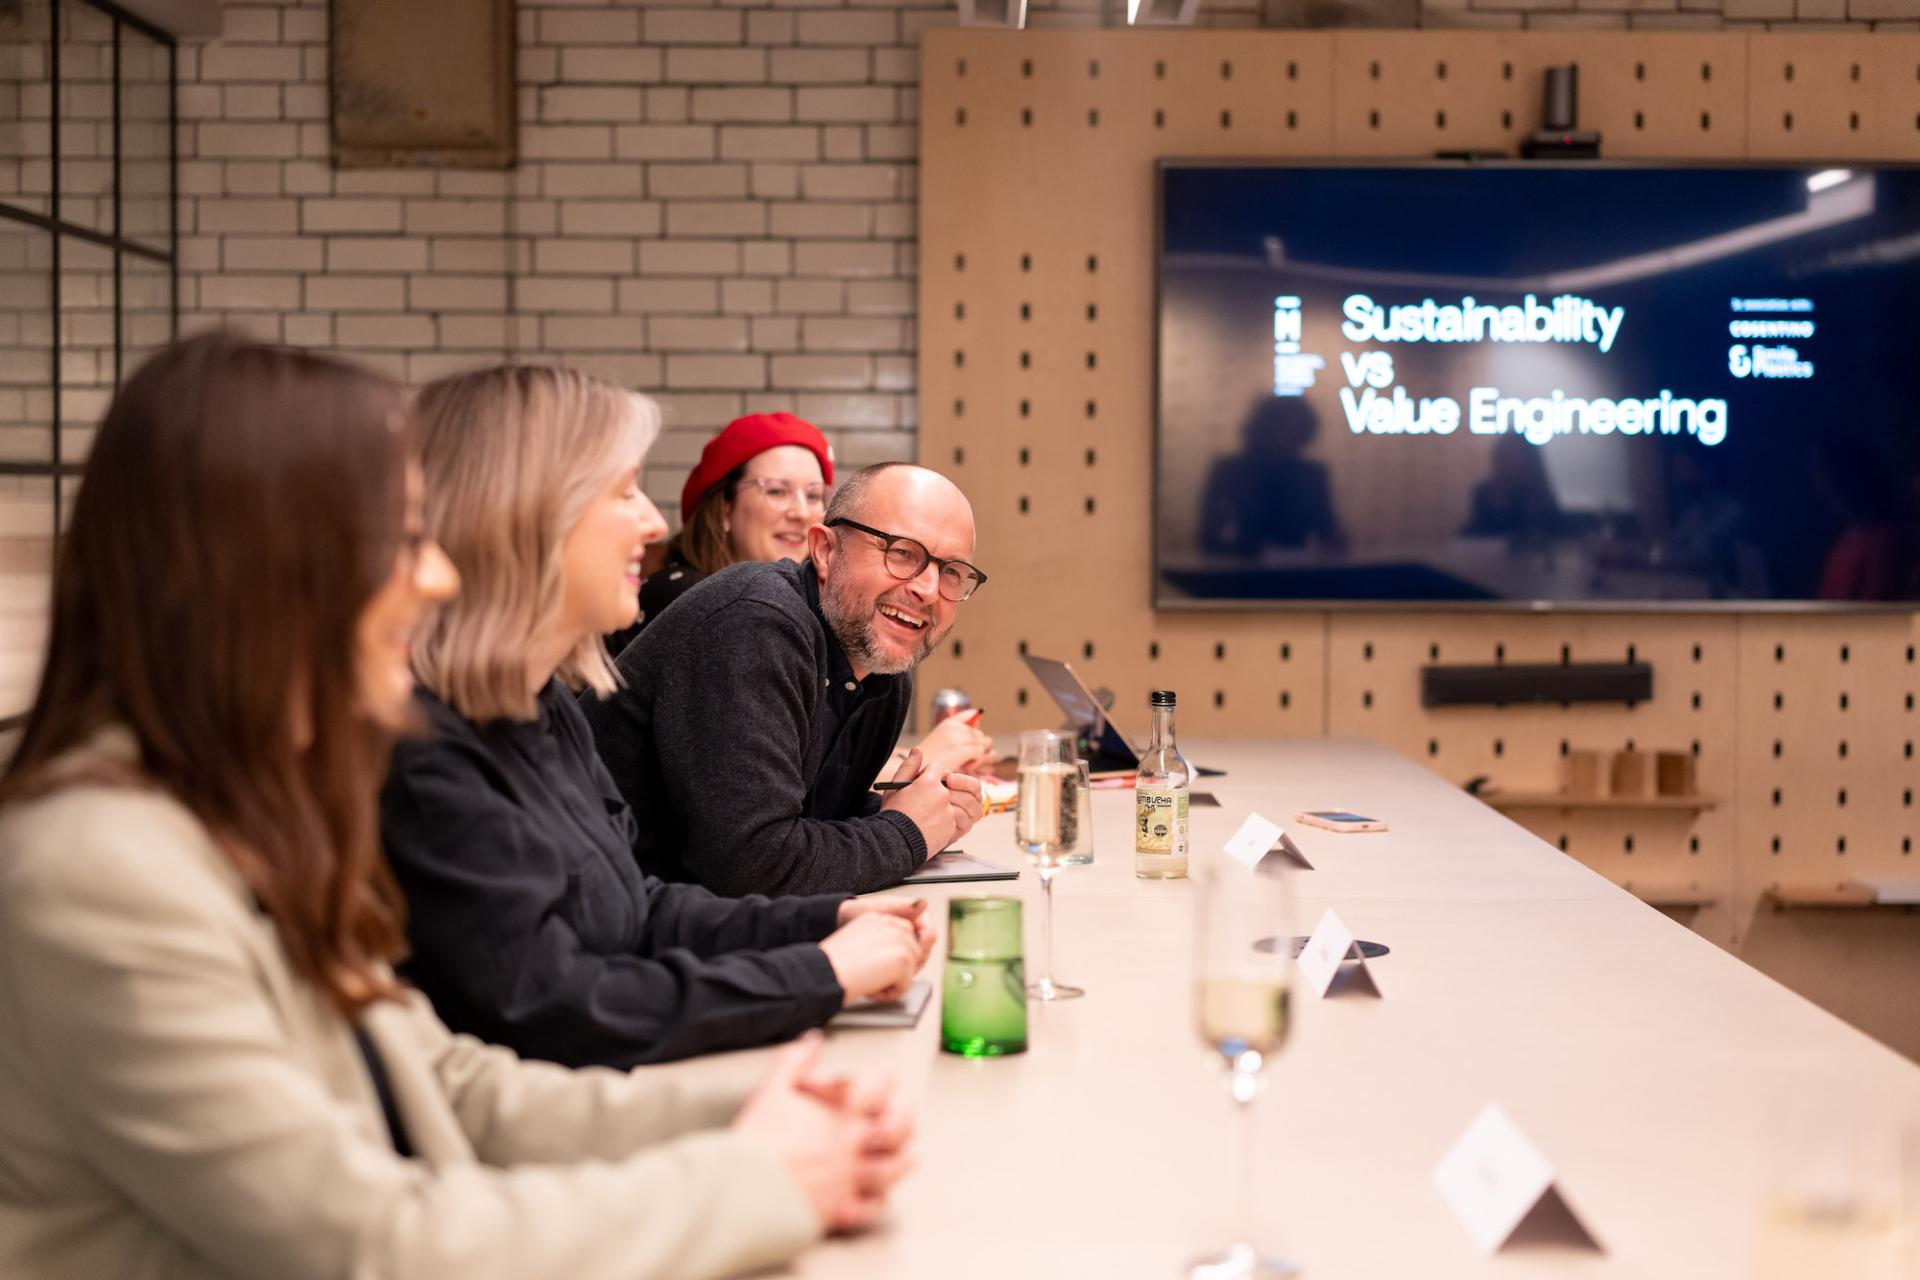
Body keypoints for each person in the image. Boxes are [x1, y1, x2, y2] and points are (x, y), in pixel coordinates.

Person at [0, 334, 911, 1280]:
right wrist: (756, 1180)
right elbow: (376, 1243)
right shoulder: (97, 870)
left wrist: (759, 1112)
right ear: (262, 570)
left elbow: (447, 1086)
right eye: (399, 538)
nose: (437, 576)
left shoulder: (257, 808)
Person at [381, 366, 934, 1069]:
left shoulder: (543, 707)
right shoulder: (429, 748)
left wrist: (826, 920)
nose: (651, 521)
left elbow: (636, 912)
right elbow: (558, 1007)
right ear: (524, 516)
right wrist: (819, 973)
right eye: (624, 491)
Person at [585, 463, 987, 896]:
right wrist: (906, 831)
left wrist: (917, 809)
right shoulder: (755, 622)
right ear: (825, 551)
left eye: (951, 572)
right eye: (902, 553)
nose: (928, 589)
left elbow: (811, 820)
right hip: (585, 921)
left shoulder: (883, 679)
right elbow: (751, 864)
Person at [609, 412, 992, 774]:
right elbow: (758, 823)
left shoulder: (831, 634)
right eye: (776, 491)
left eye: (813, 496)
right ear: (723, 508)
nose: (801, 511)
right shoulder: (718, 607)